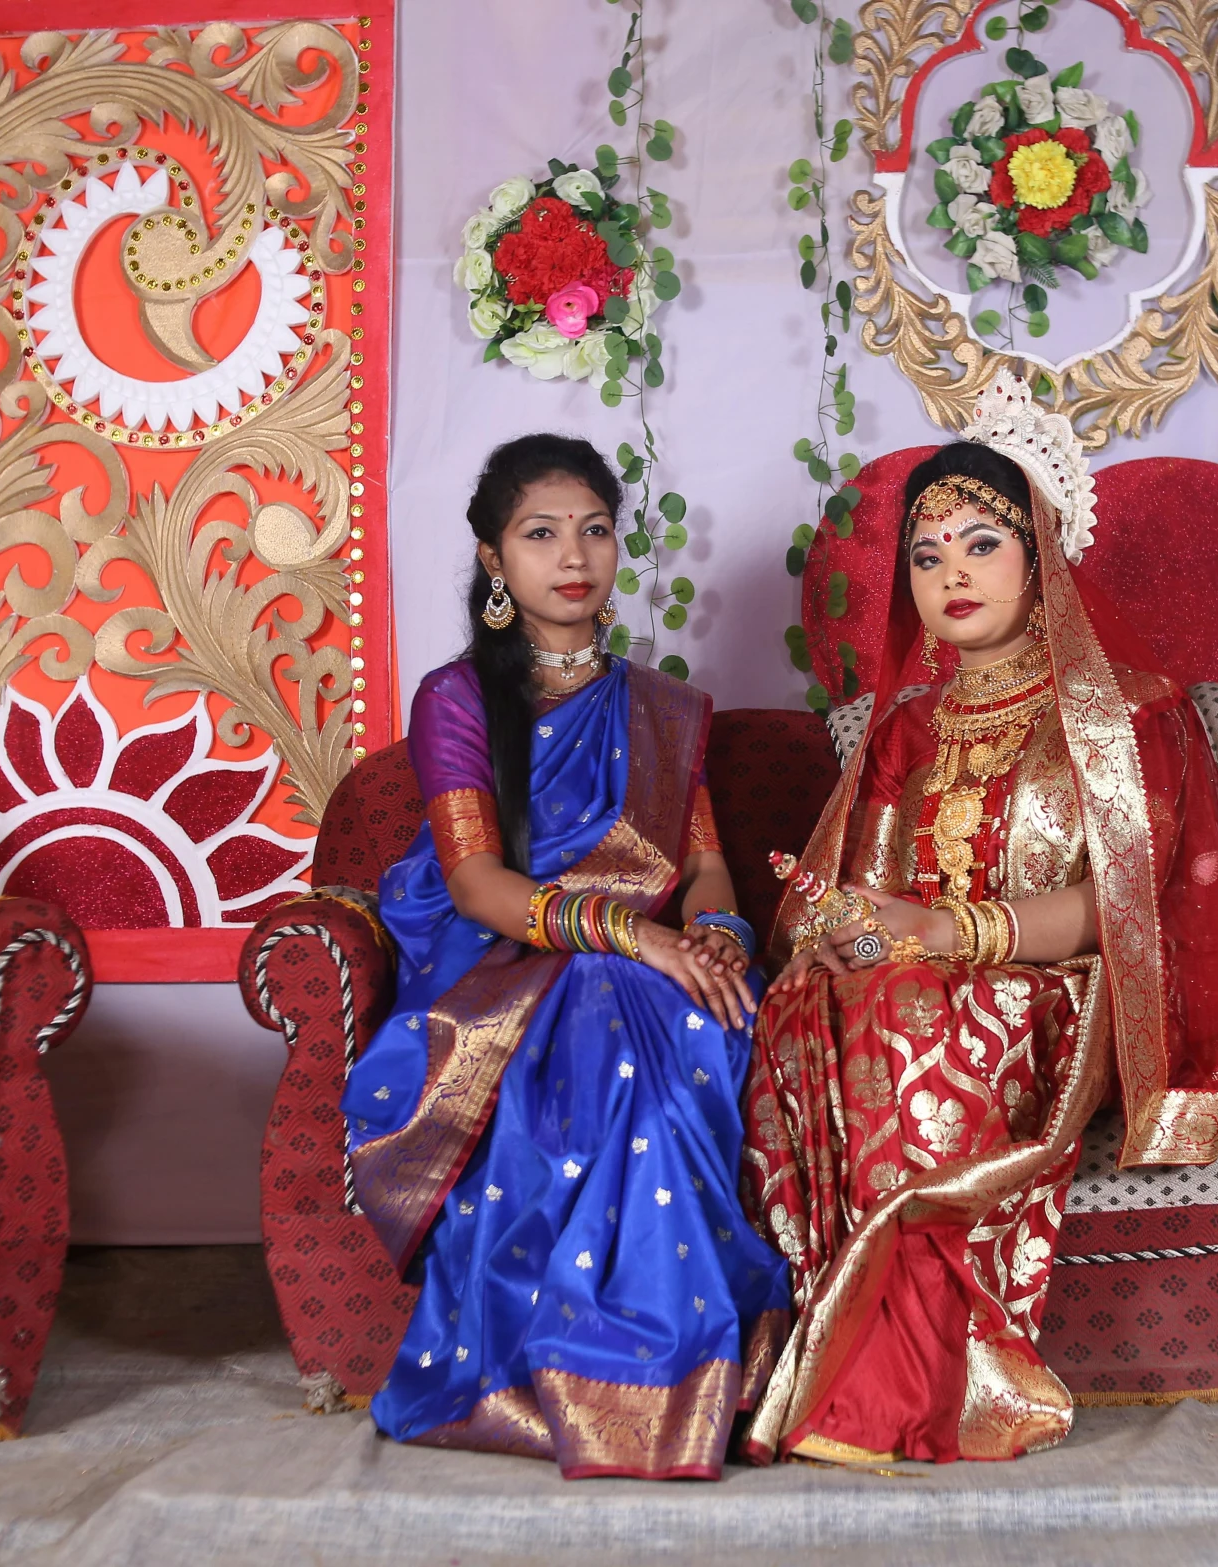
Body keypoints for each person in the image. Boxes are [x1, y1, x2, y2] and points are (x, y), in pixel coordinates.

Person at [739, 373, 1218, 1466]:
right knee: (807, 1000)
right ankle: (846, 1361)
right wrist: (845, 925)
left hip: (1061, 988)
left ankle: (903, 1388)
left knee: (901, 1012)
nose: (951, 576)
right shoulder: (903, 732)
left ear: (1040, 558)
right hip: (913, 979)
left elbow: (1116, 910)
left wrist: (945, 935)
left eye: (980, 544)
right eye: (927, 558)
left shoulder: (1129, 714)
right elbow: (861, 888)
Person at [340, 433, 788, 1480]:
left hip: (656, 951)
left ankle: (685, 1375)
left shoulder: (663, 709)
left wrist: (718, 936)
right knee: (611, 1018)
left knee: (699, 1008)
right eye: (540, 534)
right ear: (495, 559)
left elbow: (708, 864)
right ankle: (607, 1378)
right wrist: (633, 931)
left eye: (593, 529)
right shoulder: (457, 699)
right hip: (507, 956)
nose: (571, 554)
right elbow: (474, 883)